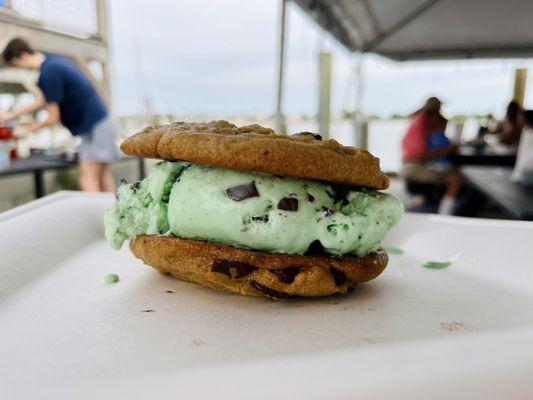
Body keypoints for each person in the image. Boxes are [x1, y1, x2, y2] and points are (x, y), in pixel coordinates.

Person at [0, 37, 117, 192]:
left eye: (17, 65)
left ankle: (96, 216)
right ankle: (115, 214)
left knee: (87, 177)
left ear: (23, 56)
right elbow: (44, 99)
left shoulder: (47, 73)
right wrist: (12, 115)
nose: (21, 69)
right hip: (103, 122)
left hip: (94, 127)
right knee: (102, 176)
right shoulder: (53, 63)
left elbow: (53, 119)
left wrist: (26, 130)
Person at [401, 97, 463, 215]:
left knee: (452, 173)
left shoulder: (419, 120)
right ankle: (445, 214)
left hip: (412, 164)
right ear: (435, 109)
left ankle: (433, 203)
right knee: (456, 178)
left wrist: (443, 124)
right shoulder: (422, 123)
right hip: (413, 166)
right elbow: (422, 155)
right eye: (439, 109)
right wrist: (449, 149)